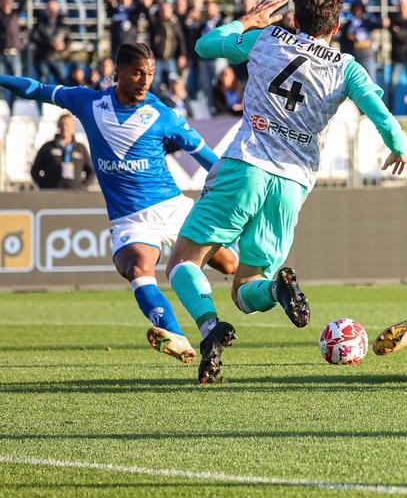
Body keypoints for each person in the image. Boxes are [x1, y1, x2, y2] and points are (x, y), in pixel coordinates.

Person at [165, 0, 407, 384]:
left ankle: (210, 326)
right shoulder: (346, 67)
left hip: (246, 165)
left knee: (183, 262)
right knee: (247, 288)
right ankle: (277, 291)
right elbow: (379, 113)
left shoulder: (266, 38)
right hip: (292, 184)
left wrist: (247, 21)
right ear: (335, 27)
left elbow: (204, 46)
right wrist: (399, 146)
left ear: (295, 19)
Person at [0, 43, 238, 364]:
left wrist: (232, 186)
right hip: (130, 218)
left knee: (229, 265)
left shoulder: (163, 114)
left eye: (150, 73)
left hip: (172, 207)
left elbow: (206, 157)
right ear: (118, 72)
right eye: (138, 72)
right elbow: (36, 89)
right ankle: (176, 336)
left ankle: (265, 288)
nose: (145, 81)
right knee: (136, 268)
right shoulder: (88, 102)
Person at [30, 113, 94, 189]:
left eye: (67, 125)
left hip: (75, 193)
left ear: (73, 126)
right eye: (62, 124)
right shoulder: (48, 147)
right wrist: (45, 186)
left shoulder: (80, 148)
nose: (64, 127)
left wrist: (82, 187)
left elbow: (91, 171)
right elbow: (35, 170)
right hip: (52, 192)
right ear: (58, 126)